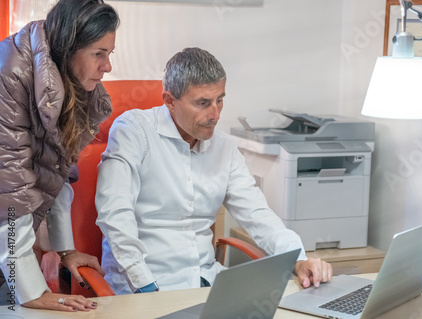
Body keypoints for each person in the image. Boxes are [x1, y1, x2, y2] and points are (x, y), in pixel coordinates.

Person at [95, 47, 333, 295]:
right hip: (145, 286)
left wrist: (298, 259)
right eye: (203, 103)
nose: (216, 114)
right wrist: (144, 285)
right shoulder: (133, 131)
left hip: (206, 282)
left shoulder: (225, 148)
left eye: (220, 99)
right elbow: (115, 216)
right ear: (169, 101)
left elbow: (258, 214)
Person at [0, 0, 119, 312]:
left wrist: (65, 249)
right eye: (99, 53)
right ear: (69, 48)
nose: (107, 66)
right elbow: (10, 195)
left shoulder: (71, 84)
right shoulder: (10, 75)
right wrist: (31, 290)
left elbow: (58, 174)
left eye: (110, 54)